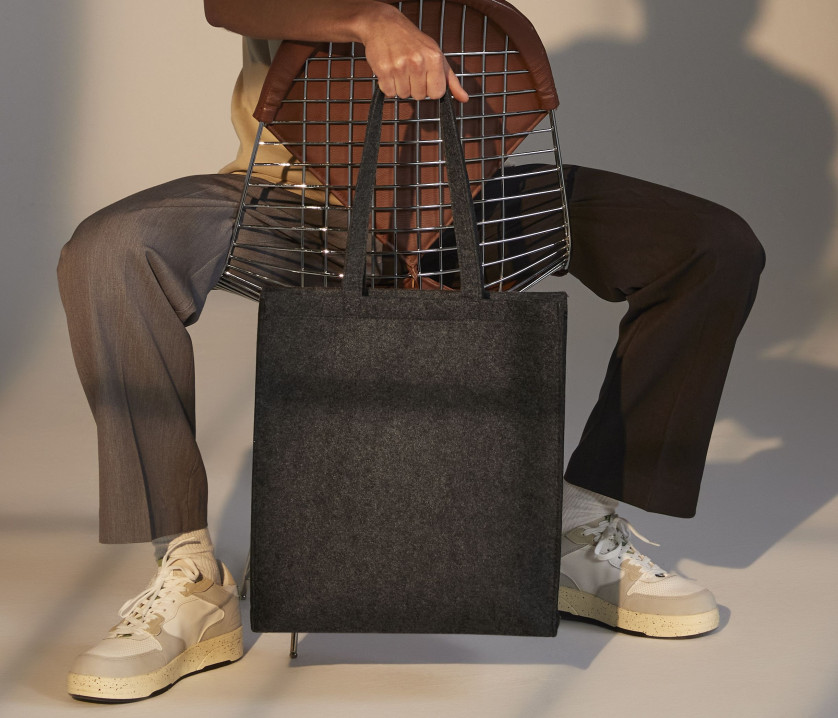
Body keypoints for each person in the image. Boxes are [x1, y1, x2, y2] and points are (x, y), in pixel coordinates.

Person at [58, 0, 765, 703]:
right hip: (293, 200)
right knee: (111, 251)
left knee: (710, 246)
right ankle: (189, 575)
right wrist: (370, 20)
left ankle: (574, 533)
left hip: (467, 198)